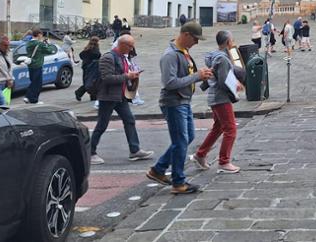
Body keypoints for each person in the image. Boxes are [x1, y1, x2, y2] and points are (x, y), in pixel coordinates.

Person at [147, 21, 213, 194]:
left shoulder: (183, 52)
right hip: (173, 102)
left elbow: (186, 77)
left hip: (183, 101)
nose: (197, 43)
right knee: (181, 141)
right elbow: (170, 83)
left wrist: (200, 76)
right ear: (186, 35)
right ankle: (178, 182)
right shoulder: (170, 55)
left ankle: (158, 169)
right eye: (195, 39)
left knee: (187, 137)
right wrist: (197, 76)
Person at [89, 35, 153, 165]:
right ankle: (90, 152)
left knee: (129, 120)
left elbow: (122, 75)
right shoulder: (108, 57)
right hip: (108, 97)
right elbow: (107, 78)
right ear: (122, 44)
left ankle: (134, 150)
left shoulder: (122, 57)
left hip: (120, 96)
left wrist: (132, 76)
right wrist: (127, 76)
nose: (131, 49)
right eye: (129, 46)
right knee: (102, 124)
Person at [191, 31, 246, 174]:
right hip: (220, 98)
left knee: (218, 127)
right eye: (232, 41)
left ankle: (200, 155)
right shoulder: (222, 59)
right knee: (231, 129)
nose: (233, 43)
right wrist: (235, 86)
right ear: (228, 42)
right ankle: (224, 162)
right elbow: (223, 81)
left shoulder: (216, 56)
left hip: (215, 97)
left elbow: (223, 76)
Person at [23, 29, 55, 104]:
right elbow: (50, 50)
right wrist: (49, 44)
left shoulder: (28, 43)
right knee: (38, 83)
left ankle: (29, 97)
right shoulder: (39, 44)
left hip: (30, 65)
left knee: (33, 81)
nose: (42, 36)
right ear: (39, 35)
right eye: (41, 35)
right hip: (37, 64)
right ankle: (33, 99)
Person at [75, 37, 102, 101]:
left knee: (89, 81)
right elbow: (97, 56)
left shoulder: (87, 48)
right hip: (92, 67)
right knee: (92, 82)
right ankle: (80, 92)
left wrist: (85, 61)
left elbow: (81, 55)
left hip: (86, 67)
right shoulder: (95, 49)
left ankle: (92, 96)